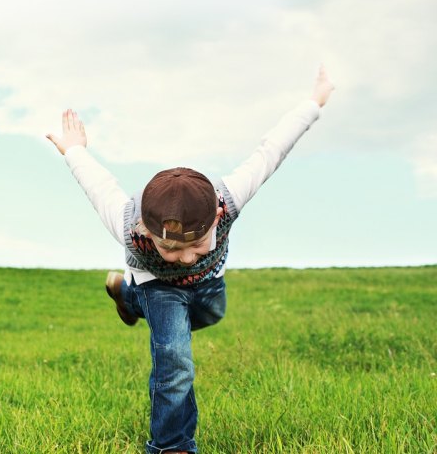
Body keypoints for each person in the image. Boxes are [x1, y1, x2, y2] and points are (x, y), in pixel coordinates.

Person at [45, 67, 334, 454]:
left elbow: (272, 149)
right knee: (174, 360)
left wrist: (313, 103)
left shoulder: (229, 197)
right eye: (171, 249)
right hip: (157, 286)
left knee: (211, 315)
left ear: (215, 218)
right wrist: (75, 149)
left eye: (195, 246)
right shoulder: (127, 221)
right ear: (148, 232)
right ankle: (172, 446)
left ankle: (128, 298)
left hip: (209, 285)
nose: (183, 259)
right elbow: (98, 184)